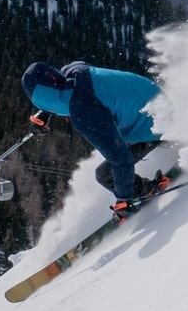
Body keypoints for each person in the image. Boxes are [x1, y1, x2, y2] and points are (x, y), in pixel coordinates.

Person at [22, 60, 169, 216]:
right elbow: (61, 89)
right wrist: (45, 113)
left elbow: (122, 159)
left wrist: (124, 198)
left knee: (105, 174)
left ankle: (147, 189)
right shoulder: (74, 70)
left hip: (156, 126)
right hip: (157, 100)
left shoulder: (85, 112)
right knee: (110, 131)